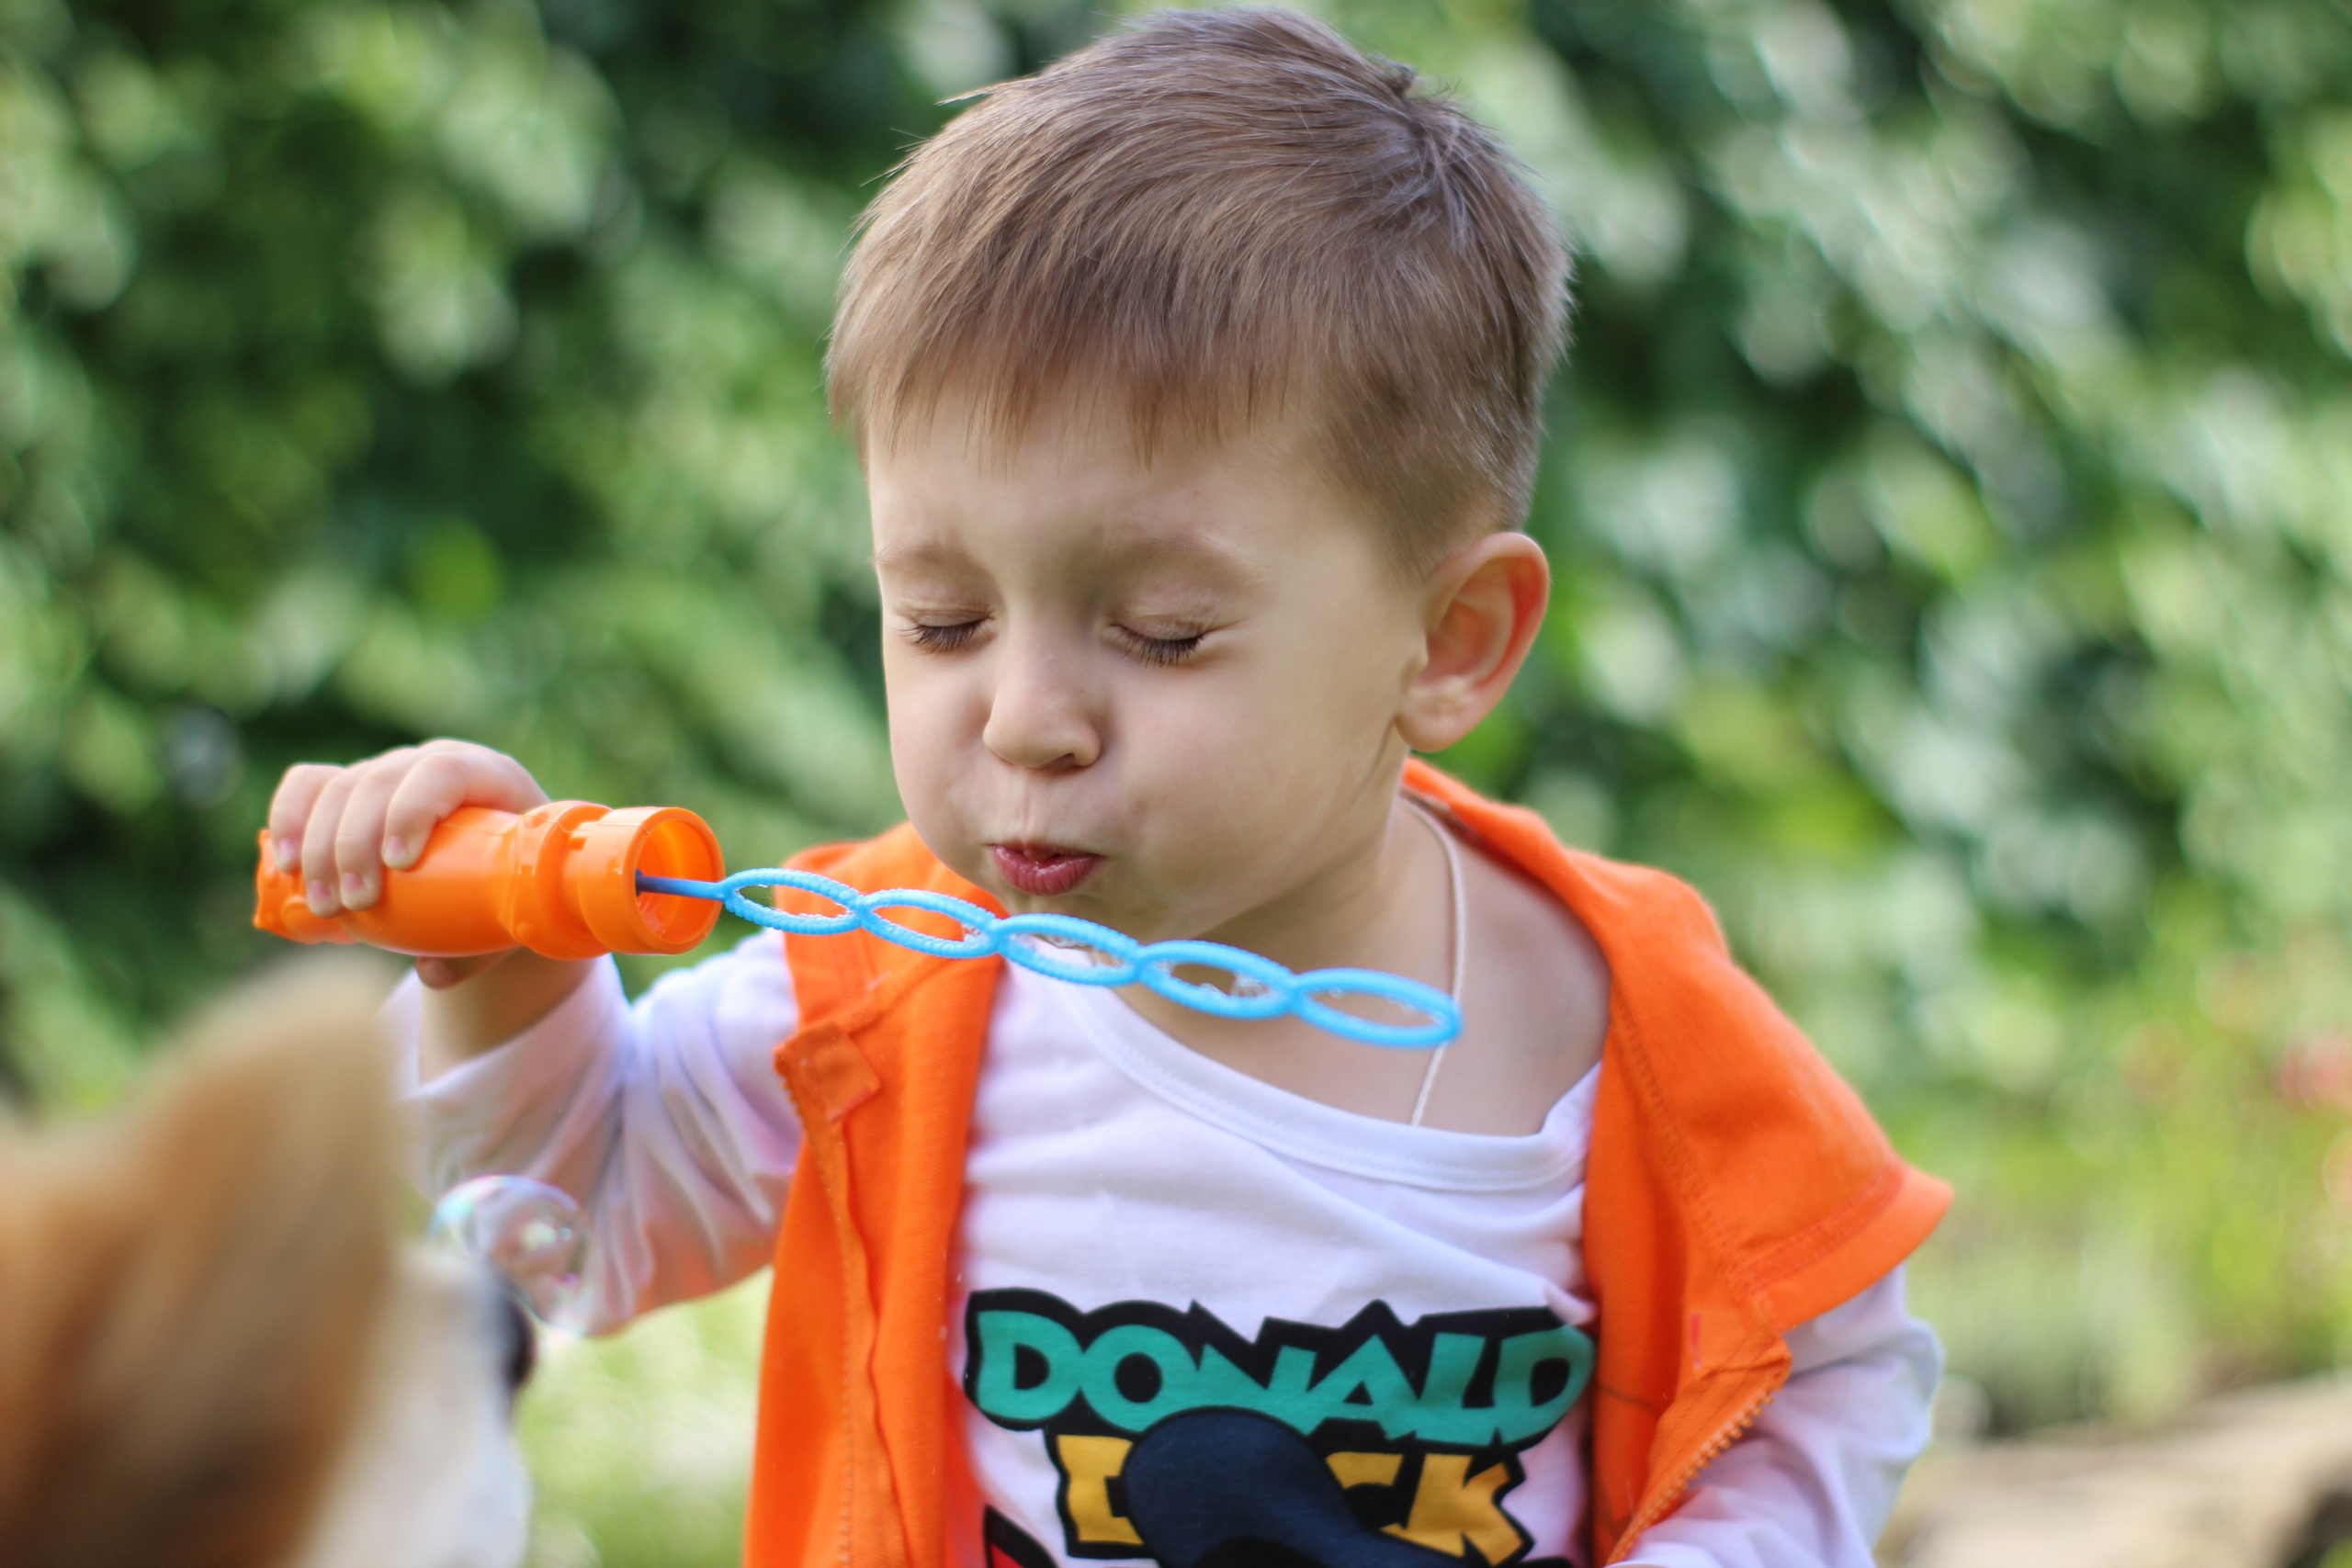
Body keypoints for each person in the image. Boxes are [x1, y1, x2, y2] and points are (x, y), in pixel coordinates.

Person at [266, 11, 1949, 1566]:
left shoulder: (1620, 1023)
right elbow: (594, 1202)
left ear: (1450, 641)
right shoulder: (888, 981)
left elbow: (1825, 1372)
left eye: (1160, 634)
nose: (1025, 722)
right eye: (943, 620)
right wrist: (496, 957)